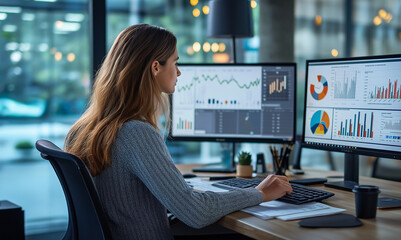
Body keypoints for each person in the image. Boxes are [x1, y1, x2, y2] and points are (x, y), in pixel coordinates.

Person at [65, 24, 293, 239]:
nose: (179, 72)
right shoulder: (136, 133)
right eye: (175, 62)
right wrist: (259, 192)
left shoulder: (83, 129)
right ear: (156, 67)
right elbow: (196, 212)